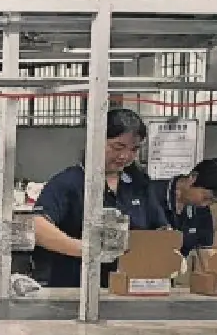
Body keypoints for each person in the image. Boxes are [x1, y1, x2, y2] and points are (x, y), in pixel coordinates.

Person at [32, 108, 168, 288]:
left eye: (134, 149)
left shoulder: (138, 184)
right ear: (95, 141)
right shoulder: (69, 182)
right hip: (75, 288)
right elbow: (38, 226)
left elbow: (160, 229)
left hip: (128, 288)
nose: (125, 156)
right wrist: (87, 250)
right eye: (117, 147)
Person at [156, 156, 217, 255]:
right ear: (193, 177)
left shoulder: (202, 211)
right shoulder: (149, 197)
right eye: (206, 198)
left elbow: (205, 247)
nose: (205, 204)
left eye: (213, 202)